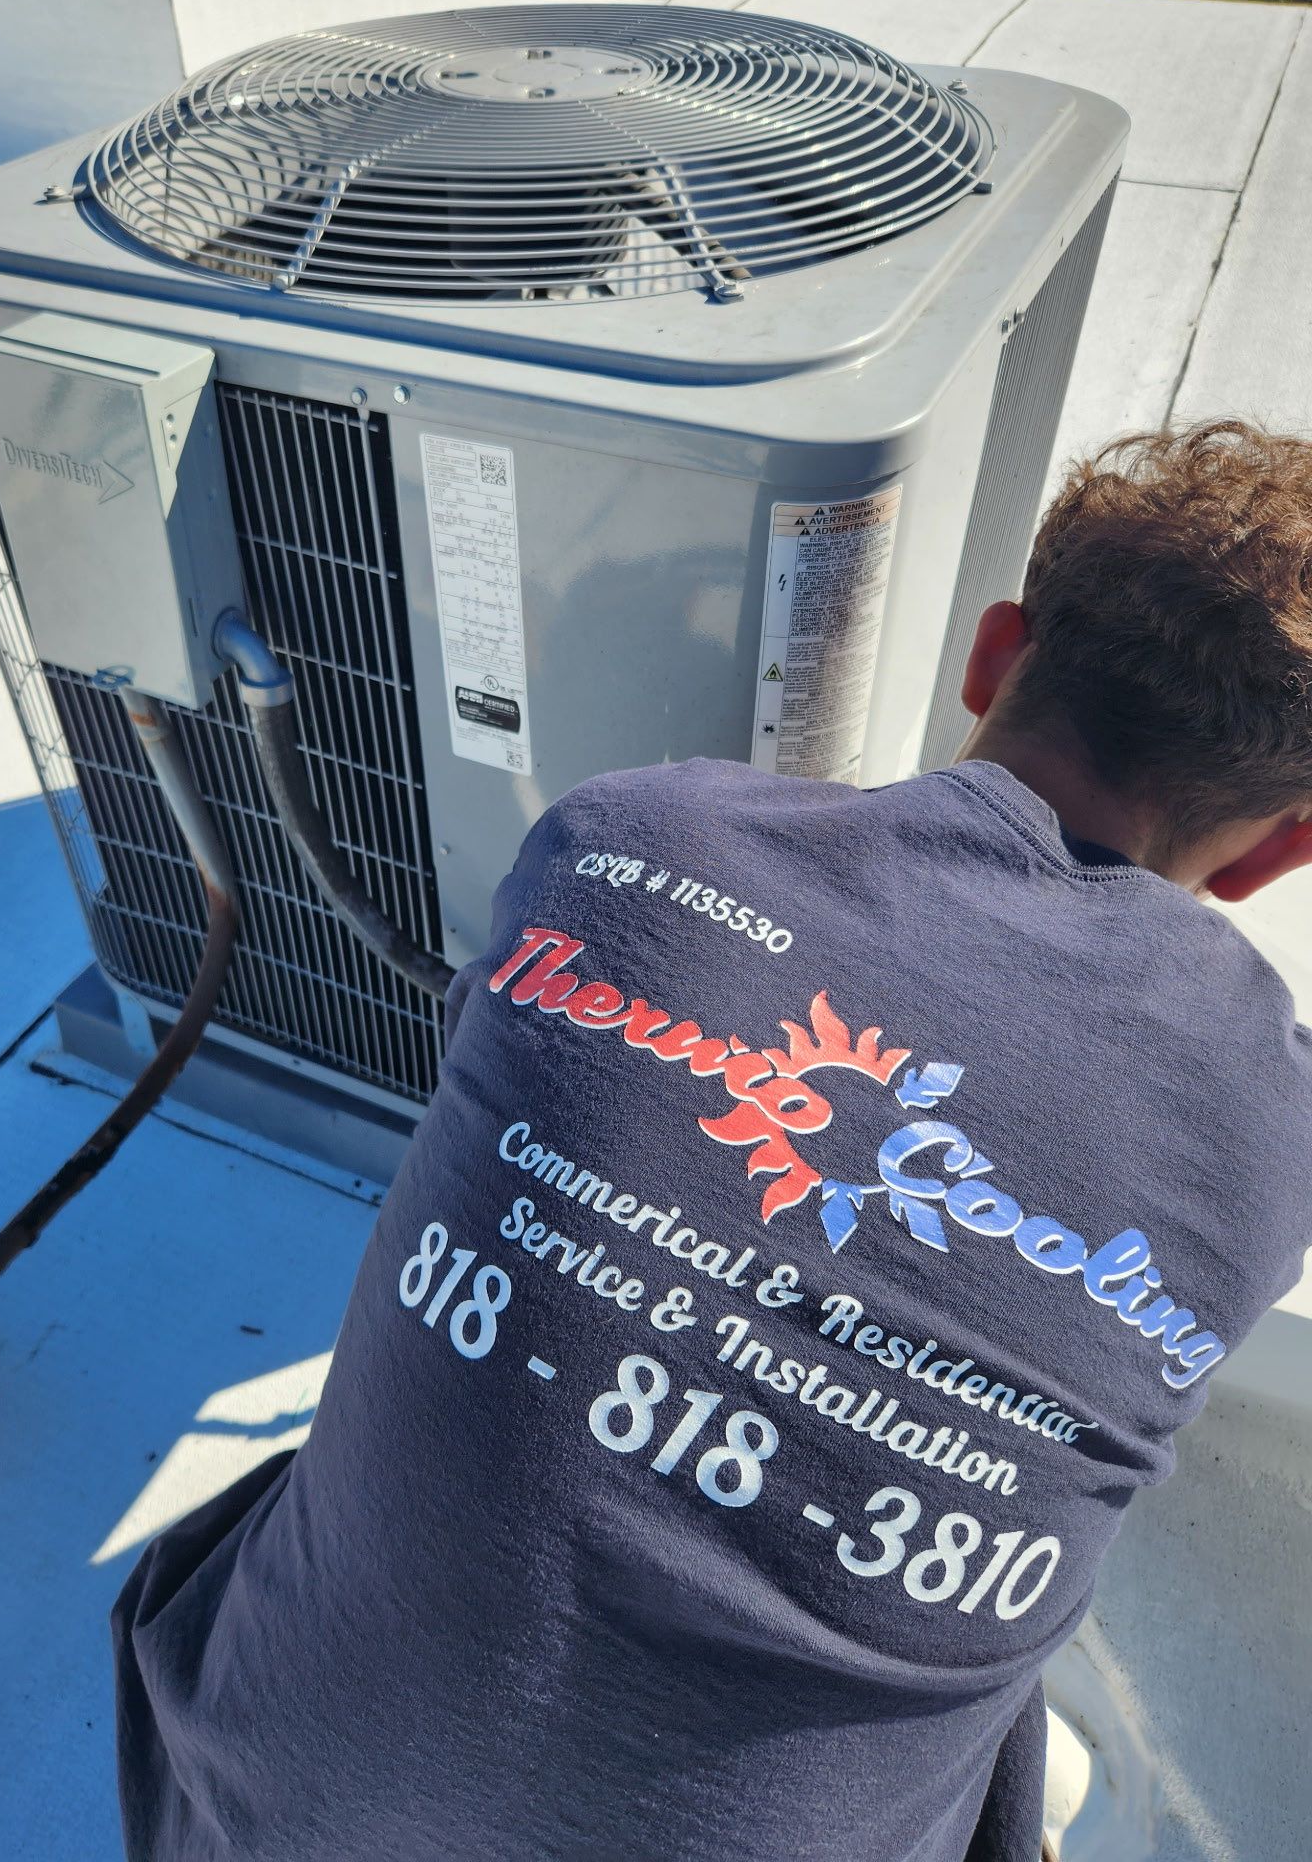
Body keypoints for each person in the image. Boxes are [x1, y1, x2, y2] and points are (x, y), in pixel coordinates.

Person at [112, 422, 1312, 1862]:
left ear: (992, 654)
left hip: (260, 1810)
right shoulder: (1278, 1138)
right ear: (1275, 853)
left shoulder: (629, 838)